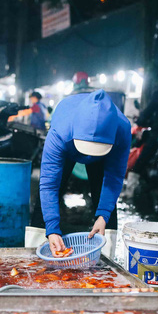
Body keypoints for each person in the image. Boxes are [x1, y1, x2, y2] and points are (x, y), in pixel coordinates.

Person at [38, 89, 132, 256]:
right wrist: (52, 228)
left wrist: (103, 215)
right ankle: (37, 247)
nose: (88, 156)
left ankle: (106, 257)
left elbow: (114, 177)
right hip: (69, 145)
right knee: (53, 190)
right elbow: (48, 184)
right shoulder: (60, 131)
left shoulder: (122, 130)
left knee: (102, 195)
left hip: (105, 149)